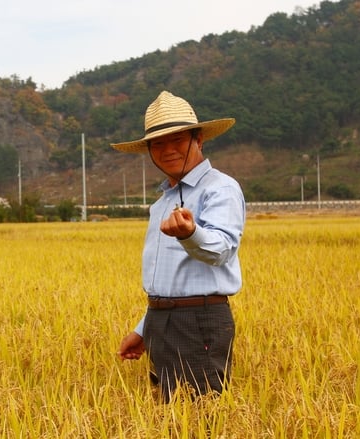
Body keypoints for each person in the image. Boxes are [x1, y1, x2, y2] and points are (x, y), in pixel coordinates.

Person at [112, 91, 245, 402]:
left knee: (200, 418)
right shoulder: (163, 202)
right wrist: (145, 329)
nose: (167, 149)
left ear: (198, 139)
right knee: (167, 414)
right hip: (161, 319)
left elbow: (222, 248)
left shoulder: (220, 188)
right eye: (157, 143)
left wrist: (190, 233)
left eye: (177, 139)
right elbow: (170, 279)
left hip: (199, 321)